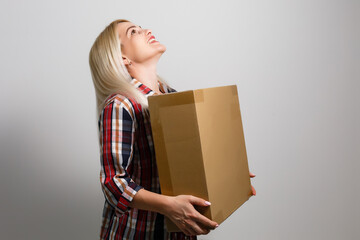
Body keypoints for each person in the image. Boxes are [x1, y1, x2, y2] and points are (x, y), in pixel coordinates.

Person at [89, 19, 257, 240]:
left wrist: (227, 175)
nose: (147, 30)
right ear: (122, 58)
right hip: (137, 233)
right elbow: (114, 183)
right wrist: (169, 206)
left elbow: (190, 160)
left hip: (178, 234)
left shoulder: (172, 97)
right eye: (134, 32)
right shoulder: (121, 105)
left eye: (141, 27)